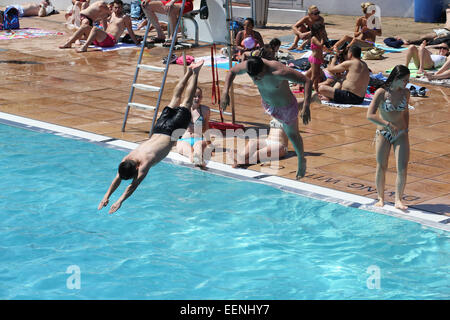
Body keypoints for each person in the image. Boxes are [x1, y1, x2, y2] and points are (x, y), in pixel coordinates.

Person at [98, 60, 204, 214]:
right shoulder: (127, 159)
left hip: (171, 130)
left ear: (135, 168)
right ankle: (188, 72)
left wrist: (120, 200)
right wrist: (106, 196)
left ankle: (195, 73)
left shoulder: (143, 165)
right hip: (158, 128)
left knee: (186, 101)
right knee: (175, 98)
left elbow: (132, 186)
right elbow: (119, 178)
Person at [220, 56, 312, 179]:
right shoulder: (249, 65)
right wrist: (225, 92)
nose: (256, 79)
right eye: (254, 78)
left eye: (258, 76)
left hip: (286, 108)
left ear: (264, 68)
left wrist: (306, 106)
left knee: (293, 135)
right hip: (269, 104)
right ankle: (242, 158)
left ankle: (301, 160)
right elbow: (231, 71)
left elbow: (307, 81)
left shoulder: (279, 71)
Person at [366, 65, 411, 210]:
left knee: (402, 168)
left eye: (407, 80)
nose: (406, 83)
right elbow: (370, 115)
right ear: (396, 78)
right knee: (381, 166)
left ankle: (398, 199)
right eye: (404, 80)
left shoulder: (406, 93)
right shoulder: (381, 92)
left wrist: (406, 129)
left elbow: (405, 112)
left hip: (401, 133)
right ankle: (380, 197)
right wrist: (387, 124)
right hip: (384, 133)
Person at [59, 0, 141, 52]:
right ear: (113, 7)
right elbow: (104, 23)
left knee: (95, 28)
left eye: (119, 8)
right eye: (115, 7)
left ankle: (84, 47)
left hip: (110, 41)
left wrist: (137, 42)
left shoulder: (125, 17)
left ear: (122, 8)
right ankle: (69, 43)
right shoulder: (111, 14)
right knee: (85, 26)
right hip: (102, 39)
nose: (117, 10)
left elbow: (130, 31)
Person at [176, 87, 211, 168]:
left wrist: (209, 143)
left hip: (198, 140)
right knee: (190, 151)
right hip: (184, 140)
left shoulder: (205, 110)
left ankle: (198, 164)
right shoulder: (183, 108)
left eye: (199, 96)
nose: (197, 98)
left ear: (202, 97)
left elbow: (206, 127)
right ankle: (198, 164)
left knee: (199, 147)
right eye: (194, 96)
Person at [308, 22, 328, 92]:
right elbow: (320, 45)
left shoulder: (319, 37)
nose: (323, 31)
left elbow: (320, 50)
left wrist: (322, 59)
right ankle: (308, 88)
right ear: (317, 30)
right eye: (322, 30)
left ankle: (316, 89)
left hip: (318, 59)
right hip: (314, 59)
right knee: (313, 76)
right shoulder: (314, 38)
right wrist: (323, 38)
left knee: (317, 75)